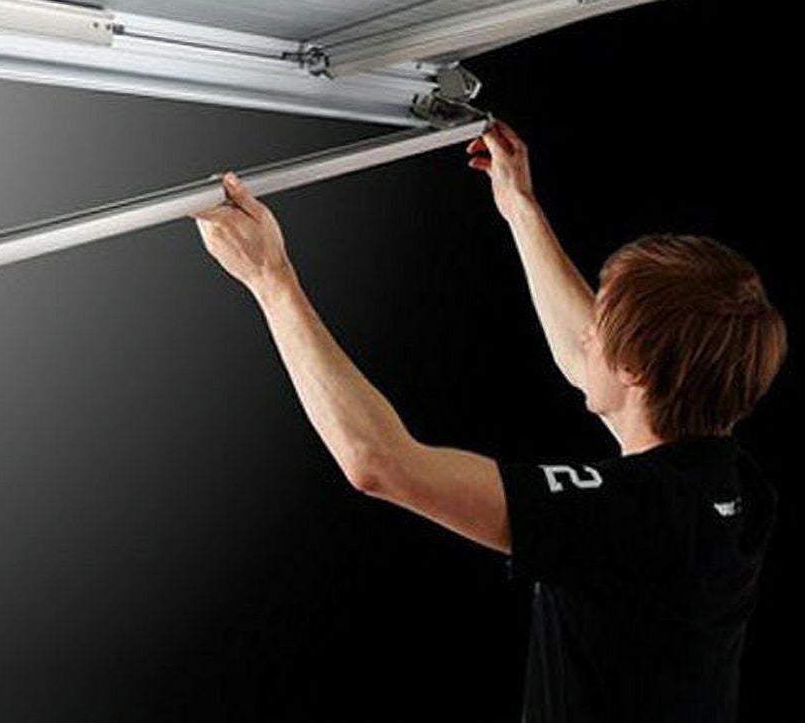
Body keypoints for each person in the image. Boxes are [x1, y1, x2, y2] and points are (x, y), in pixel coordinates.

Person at [188, 118, 785, 722]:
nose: (586, 335)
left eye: (600, 326)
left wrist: (271, 280)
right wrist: (520, 207)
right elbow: (589, 359)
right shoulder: (734, 488)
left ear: (633, 369)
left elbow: (379, 463)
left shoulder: (626, 516)